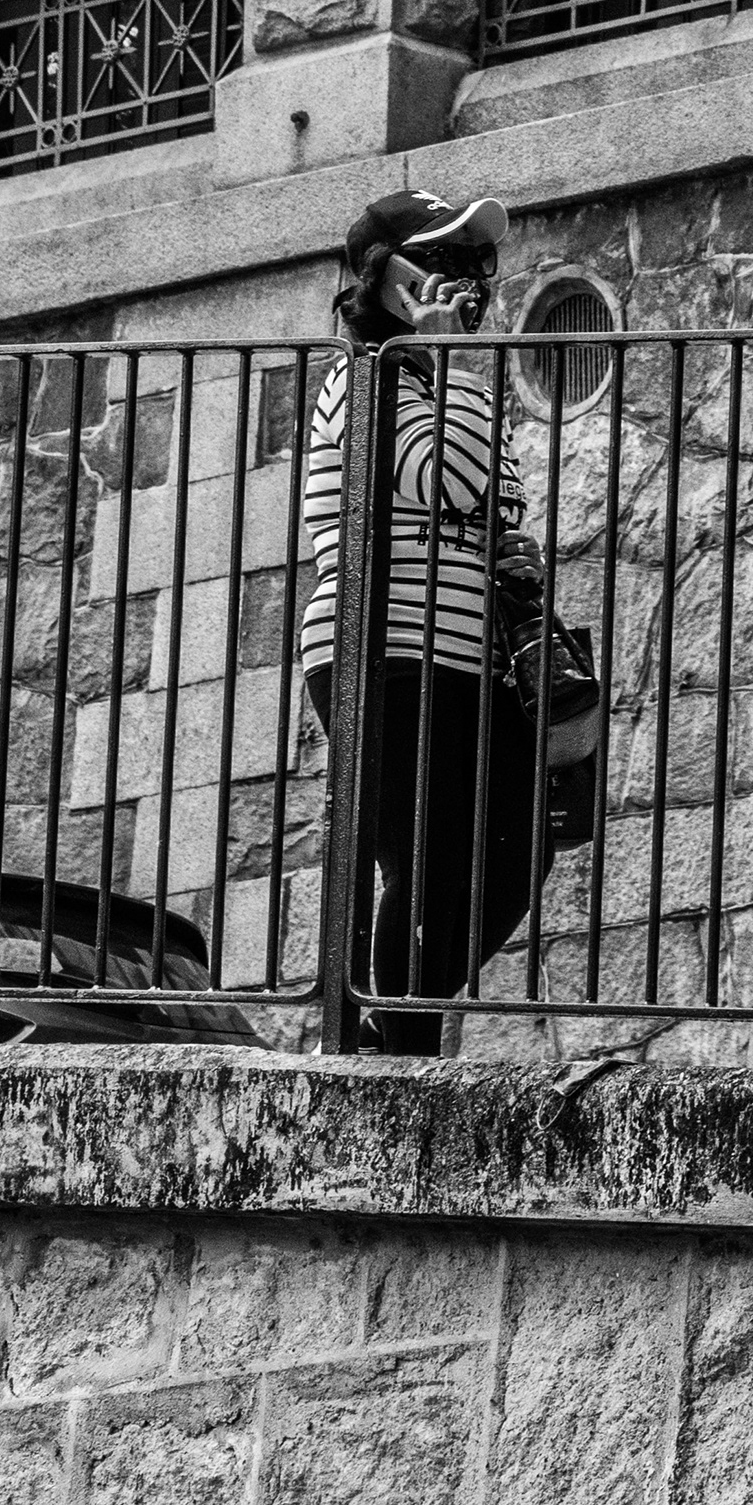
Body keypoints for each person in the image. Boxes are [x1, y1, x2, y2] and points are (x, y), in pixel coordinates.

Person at [295, 185, 545, 1051]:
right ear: (388, 276)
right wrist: (444, 360)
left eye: (478, 260)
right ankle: (390, 1036)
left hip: (469, 648)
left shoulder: (441, 379)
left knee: (520, 836)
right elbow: (450, 476)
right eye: (444, 259)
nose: (471, 277)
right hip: (382, 643)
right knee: (421, 848)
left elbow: (492, 498)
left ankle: (389, 1013)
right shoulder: (361, 377)